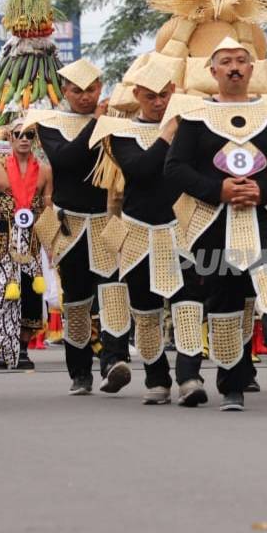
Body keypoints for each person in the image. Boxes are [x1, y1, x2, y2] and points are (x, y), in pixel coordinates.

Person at [164, 37, 267, 410]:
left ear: (251, 69)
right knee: (225, 298)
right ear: (212, 71)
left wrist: (264, 190)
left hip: (265, 214)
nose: (234, 67)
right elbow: (175, 168)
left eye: (241, 61)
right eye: (225, 61)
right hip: (213, 221)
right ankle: (232, 385)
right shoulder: (195, 116)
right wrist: (219, 190)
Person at [89, 58, 185, 403]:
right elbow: (140, 170)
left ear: (173, 92)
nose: (158, 102)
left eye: (163, 95)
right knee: (145, 313)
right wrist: (167, 135)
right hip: (137, 231)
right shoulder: (121, 132)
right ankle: (155, 379)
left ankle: (190, 378)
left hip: (182, 230)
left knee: (187, 307)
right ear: (137, 95)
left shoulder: (191, 127)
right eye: (150, 96)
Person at [28, 58, 124, 396]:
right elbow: (66, 159)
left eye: (92, 89)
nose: (85, 96)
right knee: (77, 301)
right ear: (65, 92)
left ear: (101, 89)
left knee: (113, 293)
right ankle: (80, 372)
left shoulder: (117, 120)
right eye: (77, 90)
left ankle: (114, 361)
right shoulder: (50, 122)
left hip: (109, 218)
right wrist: (96, 123)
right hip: (69, 223)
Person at [0, 118, 52, 372]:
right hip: (3, 237)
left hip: (32, 238)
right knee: (2, 291)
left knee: (31, 293)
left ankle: (21, 348)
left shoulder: (43, 171)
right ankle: (0, 346)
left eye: (29, 134)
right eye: (18, 134)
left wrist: (52, 247)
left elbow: (47, 209)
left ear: (35, 139)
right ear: (10, 138)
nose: (23, 139)